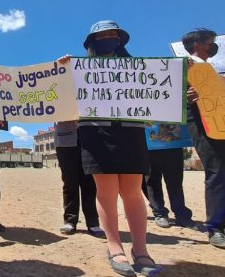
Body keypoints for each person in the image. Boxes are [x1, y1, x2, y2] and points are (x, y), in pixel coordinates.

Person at [59, 20, 159, 277]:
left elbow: (158, 93)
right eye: (102, 36)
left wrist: (184, 73)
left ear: (120, 40)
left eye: (112, 34)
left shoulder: (138, 69)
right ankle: (115, 247)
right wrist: (62, 70)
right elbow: (60, 95)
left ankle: (140, 248)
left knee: (133, 191)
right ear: (92, 42)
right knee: (106, 191)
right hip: (96, 132)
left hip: (130, 131)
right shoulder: (79, 70)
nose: (108, 38)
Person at [183, 28, 225, 249]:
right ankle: (215, 227)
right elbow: (168, 98)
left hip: (223, 121)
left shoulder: (217, 67)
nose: (214, 45)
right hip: (203, 123)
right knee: (217, 171)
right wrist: (187, 96)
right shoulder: (185, 66)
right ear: (198, 44)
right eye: (211, 42)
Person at [55, 121, 102, 236]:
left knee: (90, 184)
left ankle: (93, 222)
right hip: (65, 141)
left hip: (90, 140)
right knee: (70, 183)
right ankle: (70, 221)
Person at [142, 142, 196, 230]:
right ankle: (159, 212)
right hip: (149, 143)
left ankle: (181, 213)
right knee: (152, 180)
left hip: (173, 143)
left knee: (175, 181)